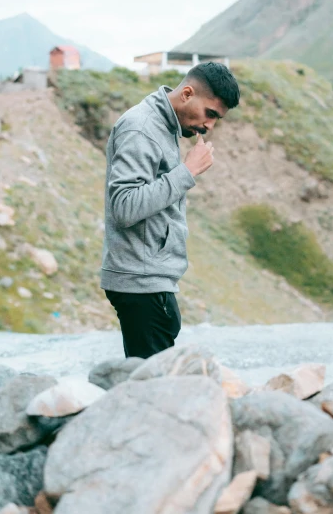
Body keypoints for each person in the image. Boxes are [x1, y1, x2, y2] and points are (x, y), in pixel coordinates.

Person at [101, 61, 240, 358]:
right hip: (140, 281)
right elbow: (124, 206)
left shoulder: (163, 126)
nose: (209, 126)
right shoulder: (142, 128)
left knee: (151, 380)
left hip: (149, 279)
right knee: (154, 390)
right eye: (210, 114)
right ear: (187, 94)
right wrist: (186, 171)